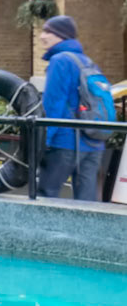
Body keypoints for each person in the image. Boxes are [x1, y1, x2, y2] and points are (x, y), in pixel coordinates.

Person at [37, 14, 106, 201]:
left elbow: (53, 105)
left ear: (61, 35)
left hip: (65, 143)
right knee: (86, 203)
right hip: (93, 143)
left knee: (46, 196)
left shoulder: (60, 61)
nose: (42, 36)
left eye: (47, 31)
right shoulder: (87, 61)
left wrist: (44, 141)